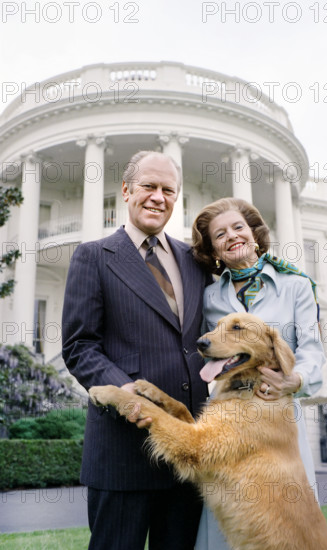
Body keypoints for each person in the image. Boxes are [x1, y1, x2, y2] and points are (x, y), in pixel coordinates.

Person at [62, 151, 210, 550]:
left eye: (168, 190)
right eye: (149, 186)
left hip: (185, 453)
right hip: (122, 452)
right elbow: (79, 345)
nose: (158, 197)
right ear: (126, 191)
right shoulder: (93, 256)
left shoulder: (195, 262)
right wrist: (126, 394)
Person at [191, 197, 325, 549]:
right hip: (229, 423)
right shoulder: (208, 297)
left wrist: (294, 380)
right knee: (229, 522)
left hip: (277, 422)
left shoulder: (295, 285)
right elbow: (211, 359)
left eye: (238, 227)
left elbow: (311, 349)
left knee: (285, 526)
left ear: (254, 234)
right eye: (220, 234)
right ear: (214, 250)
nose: (231, 236)